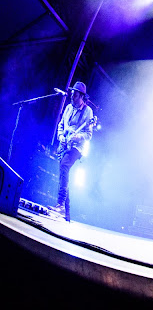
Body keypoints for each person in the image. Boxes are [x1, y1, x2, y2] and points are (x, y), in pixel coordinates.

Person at [50, 81, 94, 221]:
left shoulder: (88, 112)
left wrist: (78, 136)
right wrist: (61, 136)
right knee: (64, 173)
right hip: (65, 144)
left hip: (76, 147)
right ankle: (66, 214)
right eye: (72, 93)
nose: (71, 95)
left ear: (81, 96)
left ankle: (60, 205)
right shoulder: (68, 107)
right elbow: (61, 124)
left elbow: (88, 134)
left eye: (75, 94)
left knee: (64, 166)